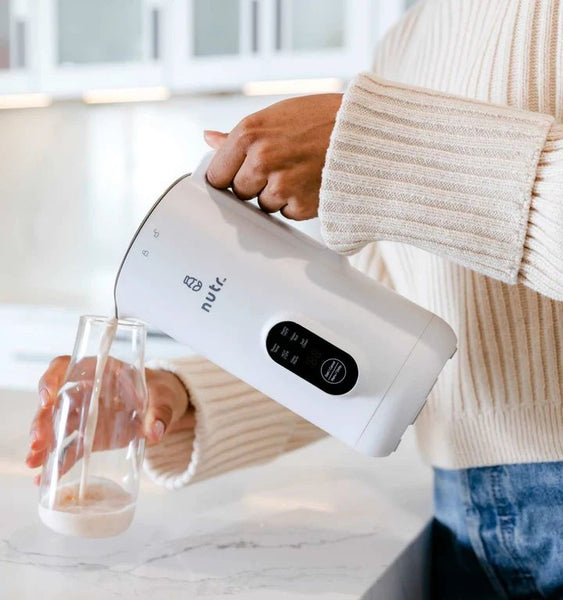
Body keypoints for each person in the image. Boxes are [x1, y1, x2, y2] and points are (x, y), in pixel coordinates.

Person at [27, 0, 562, 597]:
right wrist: (176, 397)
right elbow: (376, 327)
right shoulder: (417, 29)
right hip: (467, 517)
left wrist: (377, 148)